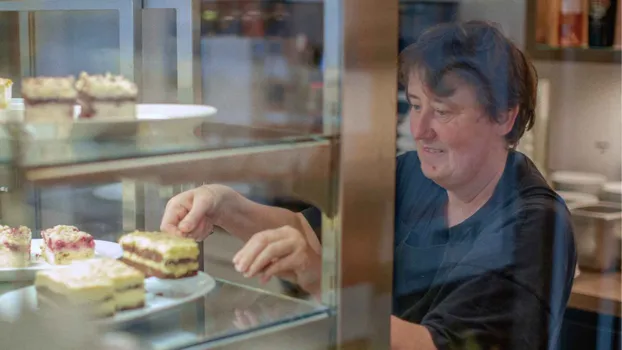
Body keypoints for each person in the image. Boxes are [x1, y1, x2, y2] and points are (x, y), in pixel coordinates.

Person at [161, 21, 576, 350]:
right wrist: (224, 205)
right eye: (414, 105)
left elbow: (433, 346)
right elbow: (308, 234)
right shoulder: (410, 175)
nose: (419, 129)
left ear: (505, 116)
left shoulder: (534, 224)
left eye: (444, 111)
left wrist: (320, 280)